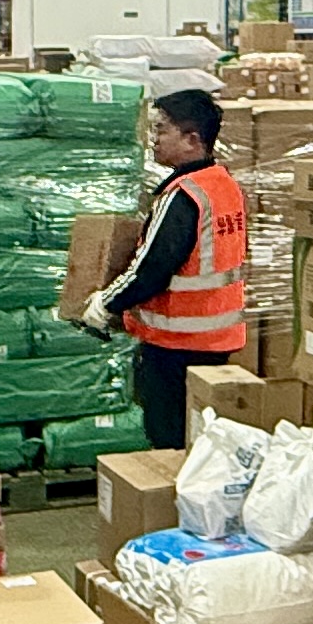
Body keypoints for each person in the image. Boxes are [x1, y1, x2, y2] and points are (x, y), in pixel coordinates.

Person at [77, 88, 247, 448]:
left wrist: (104, 303)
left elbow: (151, 269)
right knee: (200, 438)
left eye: (162, 130)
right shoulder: (223, 185)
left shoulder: (184, 196)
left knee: (169, 438)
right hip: (216, 340)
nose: (154, 139)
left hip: (176, 345)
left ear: (192, 140)